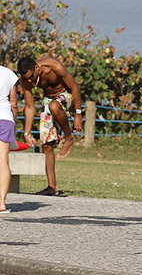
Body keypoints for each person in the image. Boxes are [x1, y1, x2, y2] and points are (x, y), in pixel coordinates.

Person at [17, 56, 82, 196]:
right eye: (26, 78)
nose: (29, 80)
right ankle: (52, 187)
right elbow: (29, 106)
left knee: (54, 105)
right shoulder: (25, 80)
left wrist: (78, 113)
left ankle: (69, 137)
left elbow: (74, 87)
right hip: (49, 100)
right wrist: (27, 132)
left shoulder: (54, 66)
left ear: (36, 68)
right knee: (46, 144)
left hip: (67, 95)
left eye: (31, 76)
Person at [0, 64, 18, 212]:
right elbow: (13, 103)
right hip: (5, 119)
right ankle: (2, 203)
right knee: (3, 160)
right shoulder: (9, 74)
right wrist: (15, 121)